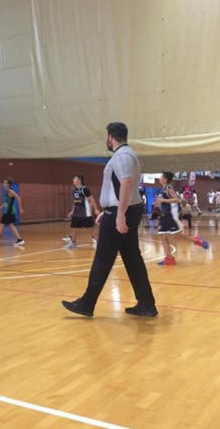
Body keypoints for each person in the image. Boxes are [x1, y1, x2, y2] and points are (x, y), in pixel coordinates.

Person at [61, 122, 157, 317]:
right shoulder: (130, 155)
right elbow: (126, 188)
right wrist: (112, 208)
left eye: (107, 136)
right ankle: (147, 304)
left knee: (103, 259)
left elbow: (127, 183)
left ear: (111, 137)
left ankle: (87, 304)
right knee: (132, 259)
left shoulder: (121, 156)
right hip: (125, 209)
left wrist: (119, 213)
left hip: (121, 213)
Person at [155, 172, 209, 266]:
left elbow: (177, 199)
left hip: (171, 215)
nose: (160, 178)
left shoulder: (169, 188)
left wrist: (163, 200)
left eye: (161, 177)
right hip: (164, 215)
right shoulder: (163, 189)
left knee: (177, 235)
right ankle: (169, 259)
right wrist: (158, 204)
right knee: (163, 237)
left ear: (165, 179)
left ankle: (196, 240)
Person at [62, 175, 100, 249]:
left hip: (85, 212)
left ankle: (98, 241)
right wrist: (72, 211)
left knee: (90, 228)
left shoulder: (84, 189)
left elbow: (91, 199)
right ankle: (73, 243)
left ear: (79, 180)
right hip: (77, 212)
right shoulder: (74, 190)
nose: (73, 180)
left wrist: (95, 209)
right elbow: (75, 202)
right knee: (73, 227)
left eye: (74, 179)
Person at [0, 180, 25, 247]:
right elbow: (6, 202)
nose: (3, 184)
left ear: (8, 184)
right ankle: (20, 239)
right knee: (9, 225)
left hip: (9, 211)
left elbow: (18, 198)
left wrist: (20, 208)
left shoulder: (11, 191)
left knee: (2, 224)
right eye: (3, 183)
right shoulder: (7, 191)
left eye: (5, 183)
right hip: (8, 211)